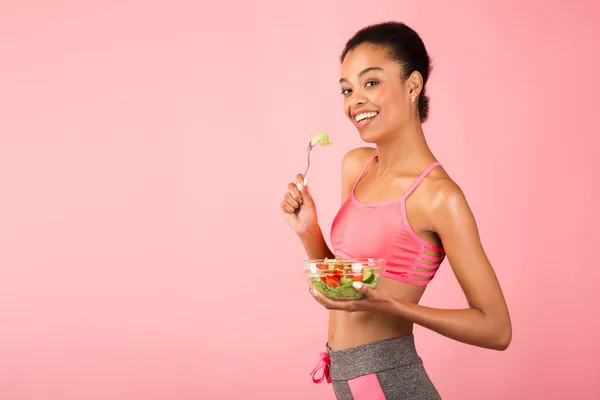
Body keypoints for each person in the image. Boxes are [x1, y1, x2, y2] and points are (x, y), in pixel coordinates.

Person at [280, 21, 512, 399]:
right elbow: (346, 293)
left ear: (412, 86)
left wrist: (395, 306)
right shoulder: (357, 166)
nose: (354, 100)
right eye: (346, 89)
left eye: (371, 82)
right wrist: (309, 231)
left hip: (389, 381)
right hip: (347, 378)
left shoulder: (438, 196)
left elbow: (496, 329)